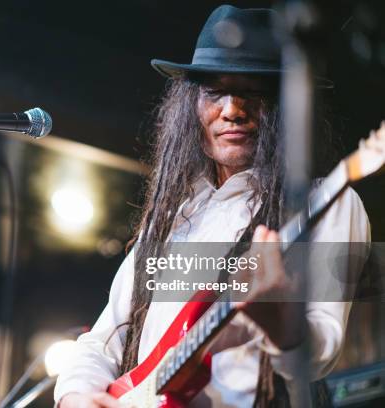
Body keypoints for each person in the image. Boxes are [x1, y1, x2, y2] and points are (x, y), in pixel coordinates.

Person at [54, 5, 371, 408]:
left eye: (253, 92)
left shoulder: (328, 202)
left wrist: (279, 322)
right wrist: (76, 394)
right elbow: (103, 340)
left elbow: (320, 350)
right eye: (214, 91)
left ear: (284, 107)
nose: (232, 110)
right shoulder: (173, 217)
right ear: (191, 104)